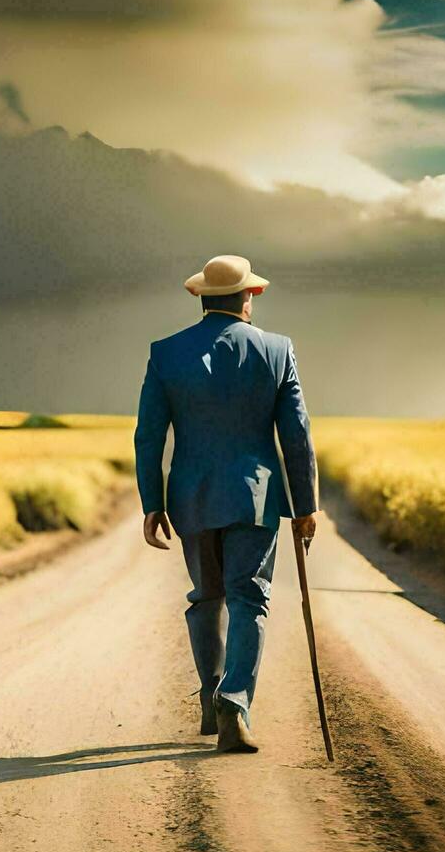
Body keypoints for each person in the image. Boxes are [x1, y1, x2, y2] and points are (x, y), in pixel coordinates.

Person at [134, 254, 319, 753]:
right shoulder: (278, 351)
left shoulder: (165, 353)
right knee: (249, 598)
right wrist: (306, 505)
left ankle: (209, 695)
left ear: (199, 296)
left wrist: (152, 502)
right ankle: (234, 704)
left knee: (206, 595)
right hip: (254, 499)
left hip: (190, 497)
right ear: (250, 297)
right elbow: (295, 436)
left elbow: (149, 436)